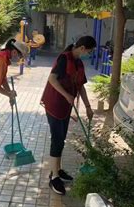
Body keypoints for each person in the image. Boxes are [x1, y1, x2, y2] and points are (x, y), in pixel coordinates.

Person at [41, 36, 96, 195]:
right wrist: (66, 95)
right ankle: (54, 177)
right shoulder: (64, 58)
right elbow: (52, 79)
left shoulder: (79, 63)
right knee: (57, 139)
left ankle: (57, 169)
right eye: (90, 51)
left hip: (65, 106)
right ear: (83, 48)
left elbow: (81, 87)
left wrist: (88, 107)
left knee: (61, 139)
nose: (90, 54)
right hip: (55, 104)